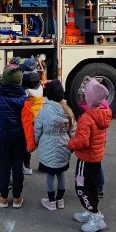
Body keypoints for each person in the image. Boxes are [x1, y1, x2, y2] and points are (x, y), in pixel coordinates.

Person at [68, 78, 112, 232]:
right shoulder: (103, 113)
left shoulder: (87, 118)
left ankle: (96, 216)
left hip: (85, 159)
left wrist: (70, 144)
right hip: (95, 158)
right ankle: (90, 211)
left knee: (81, 188)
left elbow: (83, 141)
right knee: (92, 186)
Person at [0, 67, 35, 209]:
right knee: (17, 168)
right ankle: (16, 198)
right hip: (19, 139)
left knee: (4, 167)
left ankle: (3, 197)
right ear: (19, 81)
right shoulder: (24, 100)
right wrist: (30, 144)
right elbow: (27, 124)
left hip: (3, 138)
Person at [34, 80, 75, 211]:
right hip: (64, 144)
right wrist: (73, 143)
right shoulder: (68, 110)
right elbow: (73, 129)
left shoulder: (44, 110)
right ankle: (60, 200)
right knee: (61, 173)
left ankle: (51, 202)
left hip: (47, 145)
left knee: (50, 175)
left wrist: (35, 142)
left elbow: (37, 129)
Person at [20, 59, 43, 175]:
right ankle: (44, 164)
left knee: (27, 143)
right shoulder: (39, 86)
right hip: (39, 116)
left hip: (29, 118)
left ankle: (27, 166)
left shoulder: (26, 90)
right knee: (40, 142)